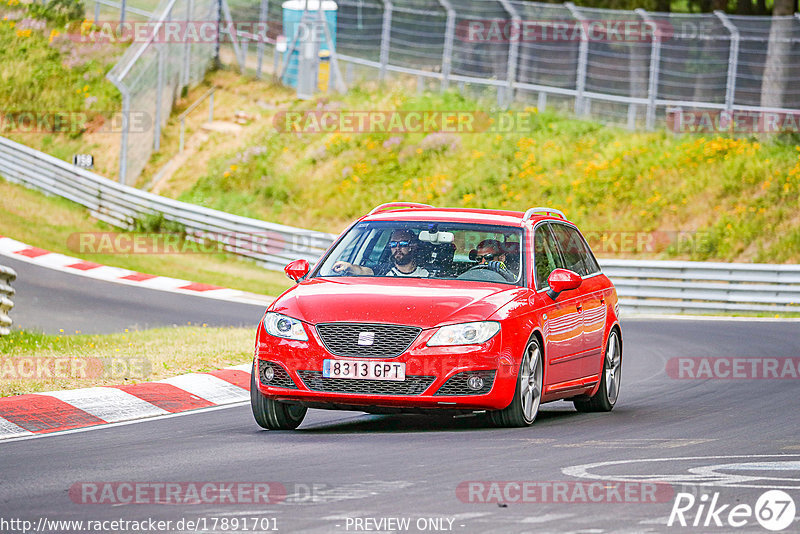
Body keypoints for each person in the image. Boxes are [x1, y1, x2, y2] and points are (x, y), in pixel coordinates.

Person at [332, 229, 430, 277]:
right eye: (393, 244)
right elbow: (363, 271)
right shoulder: (383, 271)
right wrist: (349, 267)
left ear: (412, 246)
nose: (397, 247)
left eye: (403, 243)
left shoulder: (427, 273)